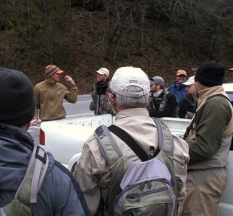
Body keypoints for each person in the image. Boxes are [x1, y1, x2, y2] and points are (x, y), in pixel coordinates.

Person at [0, 67, 90, 216]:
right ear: (28, 120)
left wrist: (72, 85)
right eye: (57, 74)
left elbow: (72, 99)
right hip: (47, 125)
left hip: (61, 123)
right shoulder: (56, 178)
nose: (59, 77)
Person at [73, 66, 189, 216]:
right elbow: (179, 196)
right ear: (148, 98)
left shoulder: (96, 147)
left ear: (111, 98)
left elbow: (84, 207)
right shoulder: (174, 143)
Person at [179, 61, 233, 216]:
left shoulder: (216, 104)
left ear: (200, 81)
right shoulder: (211, 100)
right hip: (200, 175)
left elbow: (205, 147)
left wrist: (174, 149)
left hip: (204, 178)